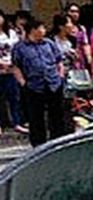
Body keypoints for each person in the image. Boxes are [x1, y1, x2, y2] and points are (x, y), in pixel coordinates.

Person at [11, 18, 66, 146]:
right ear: (33, 30)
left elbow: (59, 61)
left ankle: (58, 141)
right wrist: (23, 83)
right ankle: (39, 144)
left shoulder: (49, 43)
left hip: (53, 83)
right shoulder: (20, 48)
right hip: (34, 85)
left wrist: (60, 76)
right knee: (36, 117)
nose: (43, 31)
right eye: (41, 28)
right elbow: (16, 66)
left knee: (57, 115)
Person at [0, 14, 26, 134]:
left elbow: (18, 47)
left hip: (11, 69)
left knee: (14, 97)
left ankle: (17, 122)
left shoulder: (11, 33)